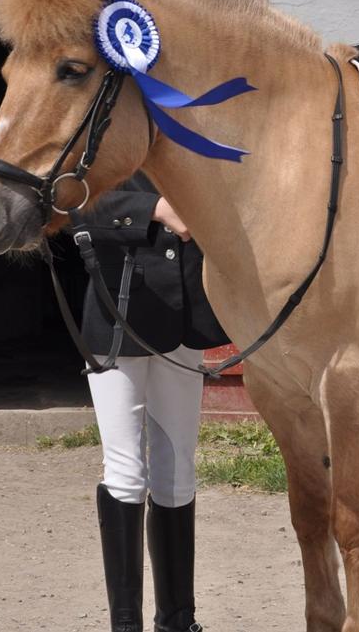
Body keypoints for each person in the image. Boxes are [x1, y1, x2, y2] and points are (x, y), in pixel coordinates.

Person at [69, 171, 227, 632]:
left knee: (177, 472)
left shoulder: (190, 142)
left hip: (183, 323)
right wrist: (154, 209)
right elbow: (71, 207)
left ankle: (178, 620)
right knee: (124, 470)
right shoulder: (99, 147)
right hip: (116, 323)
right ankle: (125, 625)